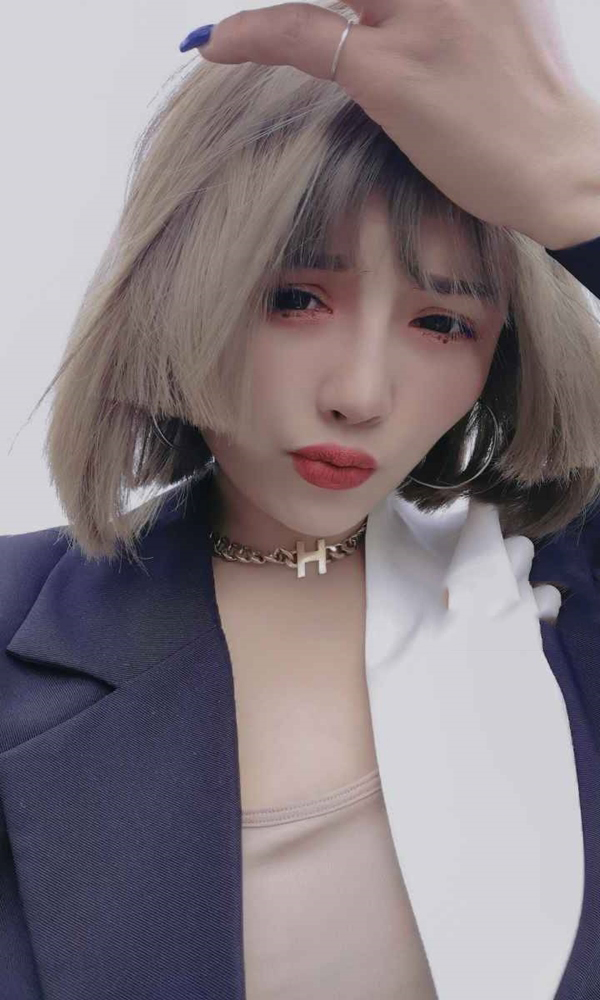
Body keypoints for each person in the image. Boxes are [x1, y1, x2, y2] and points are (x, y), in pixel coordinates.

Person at [2, 0, 600, 997]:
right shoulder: (18, 630)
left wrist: (581, 184)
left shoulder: (566, 596)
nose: (359, 395)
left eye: (442, 322)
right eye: (295, 298)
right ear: (180, 283)